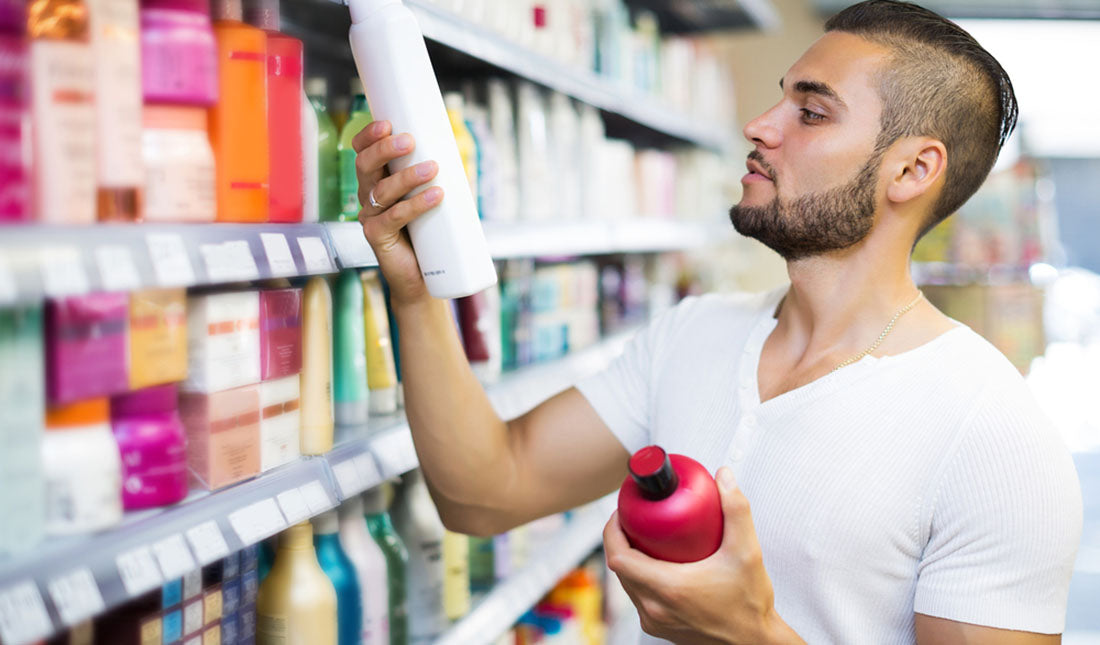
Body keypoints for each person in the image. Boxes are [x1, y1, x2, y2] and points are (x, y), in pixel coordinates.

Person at [350, 1, 1082, 642]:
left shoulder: (994, 438)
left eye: (811, 111)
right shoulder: (693, 334)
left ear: (912, 171)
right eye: (779, 99)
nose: (759, 126)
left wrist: (750, 634)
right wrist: (416, 294)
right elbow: (484, 491)